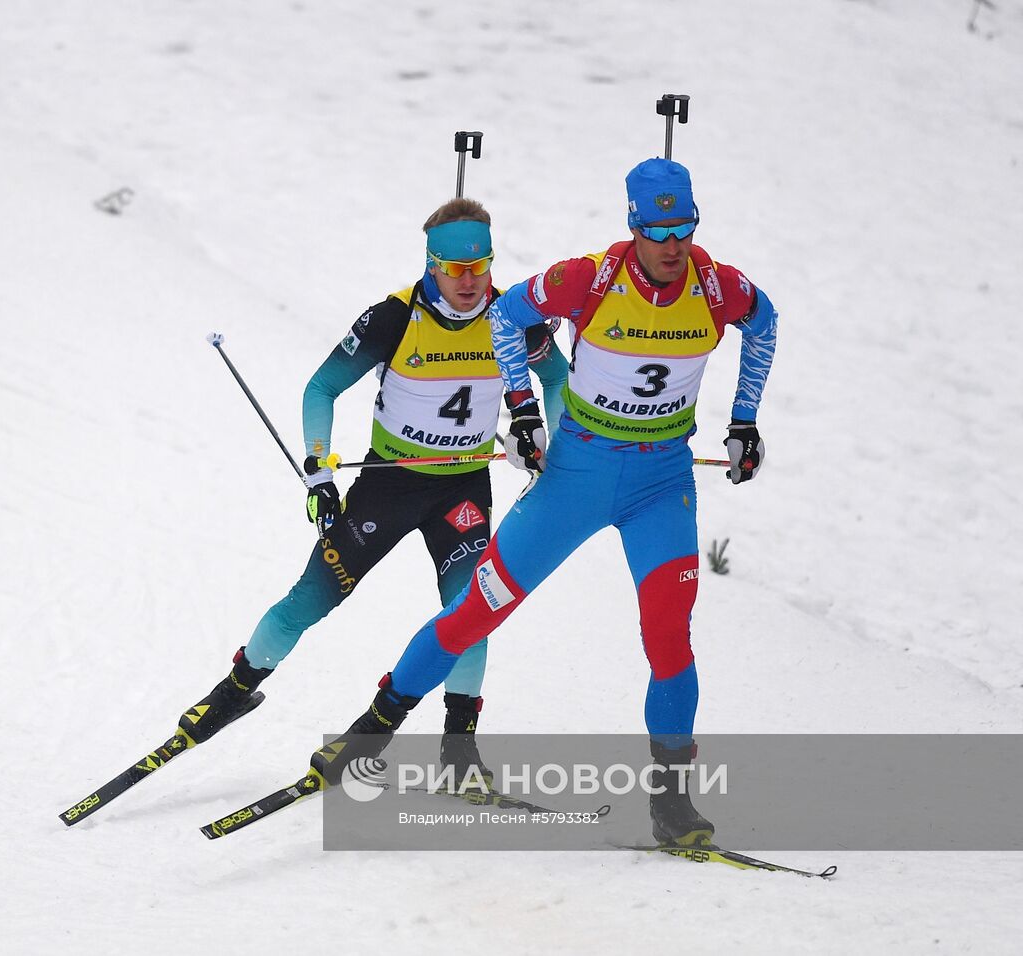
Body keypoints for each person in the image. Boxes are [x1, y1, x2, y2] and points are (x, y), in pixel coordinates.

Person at [305, 158, 779, 848]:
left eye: (685, 229)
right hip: (576, 478)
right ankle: (372, 729)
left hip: (661, 483)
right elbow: (506, 314)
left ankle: (672, 800)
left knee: (669, 635)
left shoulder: (716, 284)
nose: (673, 245)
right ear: (633, 226)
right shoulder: (589, 277)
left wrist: (744, 420)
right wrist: (524, 410)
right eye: (659, 230)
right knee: (476, 611)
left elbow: (765, 326)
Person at [179, 197, 565, 780]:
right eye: (454, 269)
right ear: (431, 263)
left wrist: (540, 444)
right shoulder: (392, 317)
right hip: (387, 484)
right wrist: (319, 470)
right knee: (311, 598)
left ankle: (458, 749)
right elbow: (321, 388)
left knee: (470, 611)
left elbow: (558, 380)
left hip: (462, 491)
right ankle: (236, 690)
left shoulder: (514, 318)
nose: (469, 281)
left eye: (480, 266)